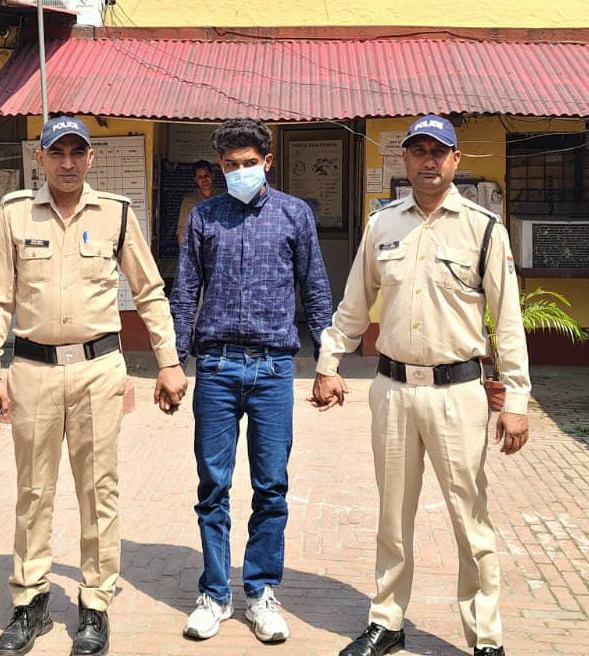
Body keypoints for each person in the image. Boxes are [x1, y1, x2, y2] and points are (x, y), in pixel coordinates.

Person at [311, 115, 530, 656]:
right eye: (418, 151)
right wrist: (329, 361)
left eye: (438, 151)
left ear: (455, 160)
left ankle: (485, 637)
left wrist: (516, 399)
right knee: (393, 515)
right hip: (393, 390)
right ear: (405, 160)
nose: (428, 161)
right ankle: (387, 620)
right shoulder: (382, 226)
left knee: (469, 519)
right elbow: (355, 304)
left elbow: (508, 321)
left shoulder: (483, 228)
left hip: (458, 394)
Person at [0, 115, 188, 656]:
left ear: (91, 158)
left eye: (77, 152)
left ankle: (94, 604)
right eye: (57, 153)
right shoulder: (14, 214)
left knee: (99, 490)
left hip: (98, 370)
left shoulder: (115, 214)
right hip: (33, 372)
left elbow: (150, 291)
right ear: (40, 159)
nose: (67, 163)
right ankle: (31, 601)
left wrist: (168, 361)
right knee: (33, 490)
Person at [171, 118, 333, 644]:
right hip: (217, 368)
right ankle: (215, 594)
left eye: (248, 163)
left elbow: (315, 289)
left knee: (271, 487)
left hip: (273, 369)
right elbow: (185, 291)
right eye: (230, 165)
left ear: (267, 162)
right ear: (220, 166)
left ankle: (261, 591)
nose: (239, 171)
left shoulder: (294, 215)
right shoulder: (205, 217)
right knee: (213, 487)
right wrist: (172, 362)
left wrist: (327, 362)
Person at [175, 159, 217, 246]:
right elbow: (182, 230)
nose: (204, 179)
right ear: (195, 180)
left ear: (213, 176)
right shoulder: (189, 201)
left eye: (206, 175)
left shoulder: (224, 198)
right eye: (200, 177)